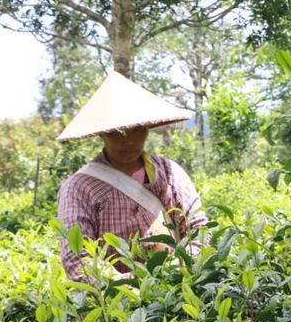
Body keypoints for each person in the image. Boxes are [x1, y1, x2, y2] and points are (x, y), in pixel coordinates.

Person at [56, 72, 207, 282]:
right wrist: (128, 288)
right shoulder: (79, 187)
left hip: (179, 288)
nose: (129, 141)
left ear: (147, 128)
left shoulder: (169, 173)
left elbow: (198, 229)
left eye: (138, 130)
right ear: (102, 133)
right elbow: (78, 258)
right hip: (118, 303)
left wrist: (180, 271)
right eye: (118, 132)